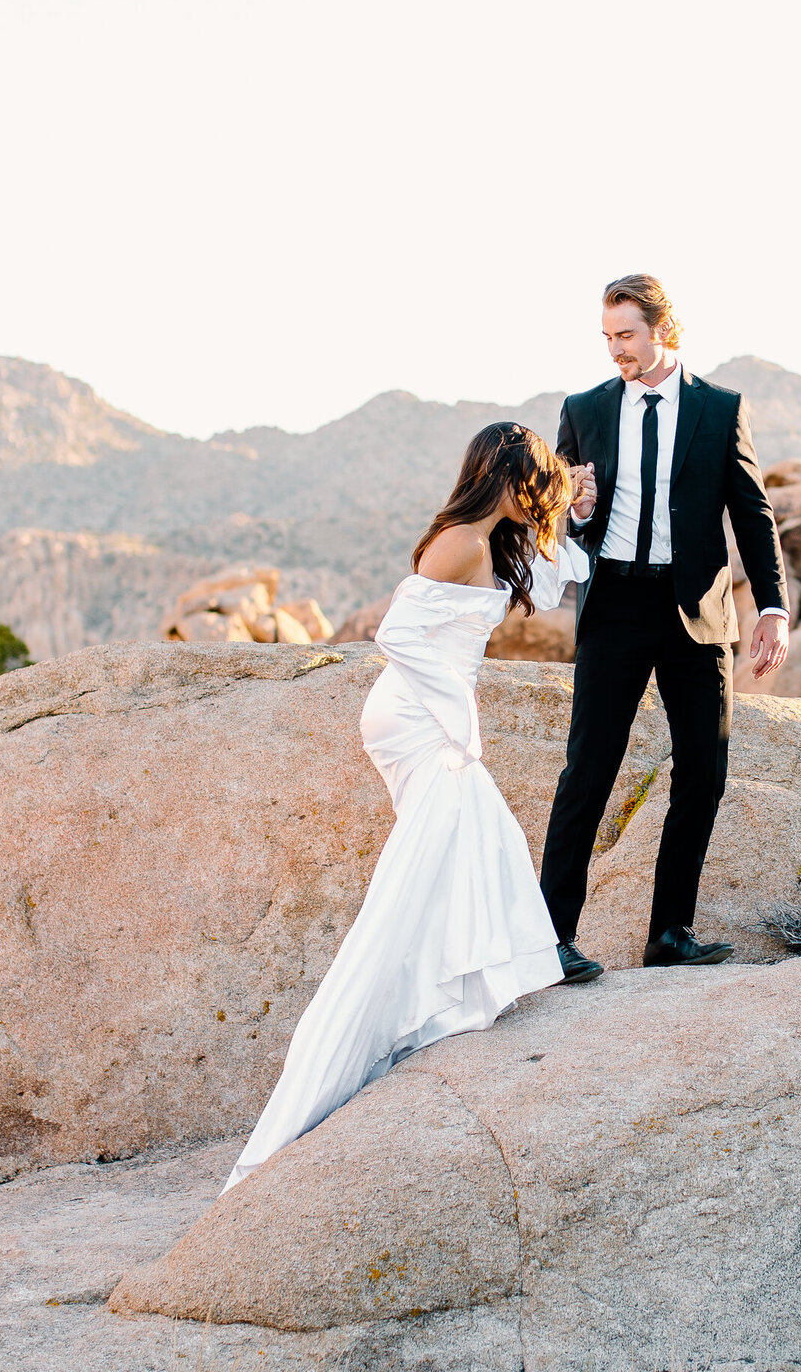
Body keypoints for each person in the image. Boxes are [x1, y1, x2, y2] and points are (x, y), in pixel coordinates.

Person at [221, 421, 589, 1191]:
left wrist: (571, 512)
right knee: (422, 871)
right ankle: (364, 1029)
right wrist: (459, 714)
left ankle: (442, 993)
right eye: (538, 485)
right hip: (417, 715)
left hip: (426, 714)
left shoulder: (490, 539)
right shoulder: (459, 542)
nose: (540, 501)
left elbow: (557, 581)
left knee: (474, 839)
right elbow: (398, 635)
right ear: (507, 479)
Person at [540, 275, 790, 983]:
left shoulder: (719, 409)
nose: (616, 349)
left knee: (703, 774)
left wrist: (772, 607)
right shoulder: (584, 409)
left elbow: (752, 513)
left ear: (662, 330)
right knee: (587, 773)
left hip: (696, 613)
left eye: (627, 334)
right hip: (614, 603)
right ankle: (551, 938)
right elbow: (567, 515)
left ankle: (670, 932)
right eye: (608, 337)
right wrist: (580, 512)